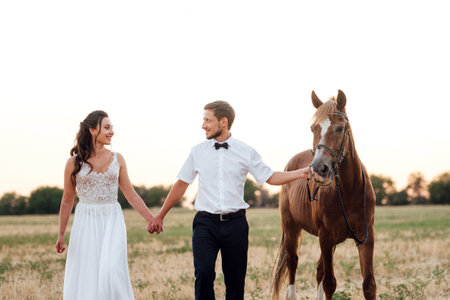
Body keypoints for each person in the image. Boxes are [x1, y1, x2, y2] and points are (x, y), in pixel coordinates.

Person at [148, 101, 309, 300]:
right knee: (204, 273)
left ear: (223, 122)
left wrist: (301, 173)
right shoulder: (197, 151)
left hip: (236, 225)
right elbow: (181, 184)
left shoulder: (245, 151)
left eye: (208, 120)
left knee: (235, 281)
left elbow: (270, 177)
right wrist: (160, 215)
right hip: (205, 224)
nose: (203, 125)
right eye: (203, 120)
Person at [55, 110, 155, 300]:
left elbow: (131, 194)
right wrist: (61, 234)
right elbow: (67, 200)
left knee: (111, 270)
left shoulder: (118, 159)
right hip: (85, 221)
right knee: (88, 274)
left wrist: (152, 219)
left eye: (112, 128)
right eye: (107, 127)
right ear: (93, 130)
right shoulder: (73, 163)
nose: (112, 132)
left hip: (112, 219)